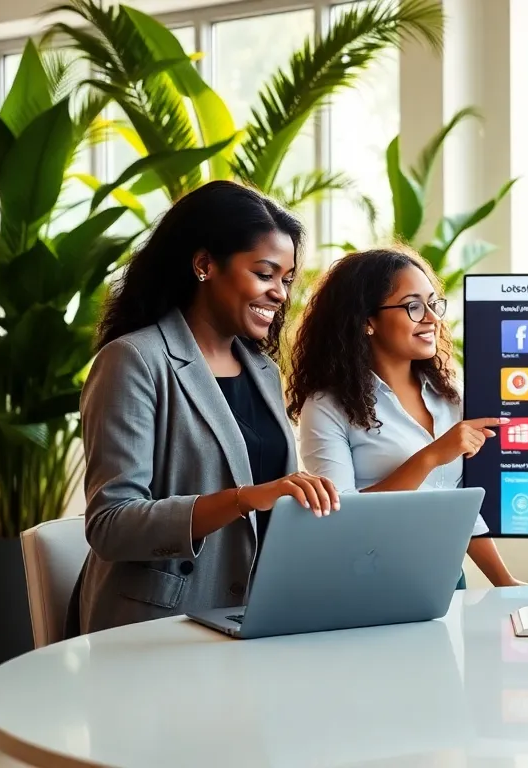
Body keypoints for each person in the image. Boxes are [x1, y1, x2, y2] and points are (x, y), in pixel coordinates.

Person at [71, 180, 340, 635]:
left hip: (251, 618)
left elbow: (268, 521)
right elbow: (111, 525)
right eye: (264, 273)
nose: (280, 293)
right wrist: (242, 499)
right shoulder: (134, 360)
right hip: (155, 628)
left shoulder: (261, 370)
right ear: (203, 264)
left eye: (286, 279)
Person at [287, 248, 524, 588]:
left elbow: (461, 505)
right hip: (369, 581)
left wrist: (504, 581)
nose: (431, 317)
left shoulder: (450, 396)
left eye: (433, 303)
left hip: (445, 578)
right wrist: (430, 457)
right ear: (367, 320)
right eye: (413, 306)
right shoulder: (327, 406)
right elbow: (339, 518)